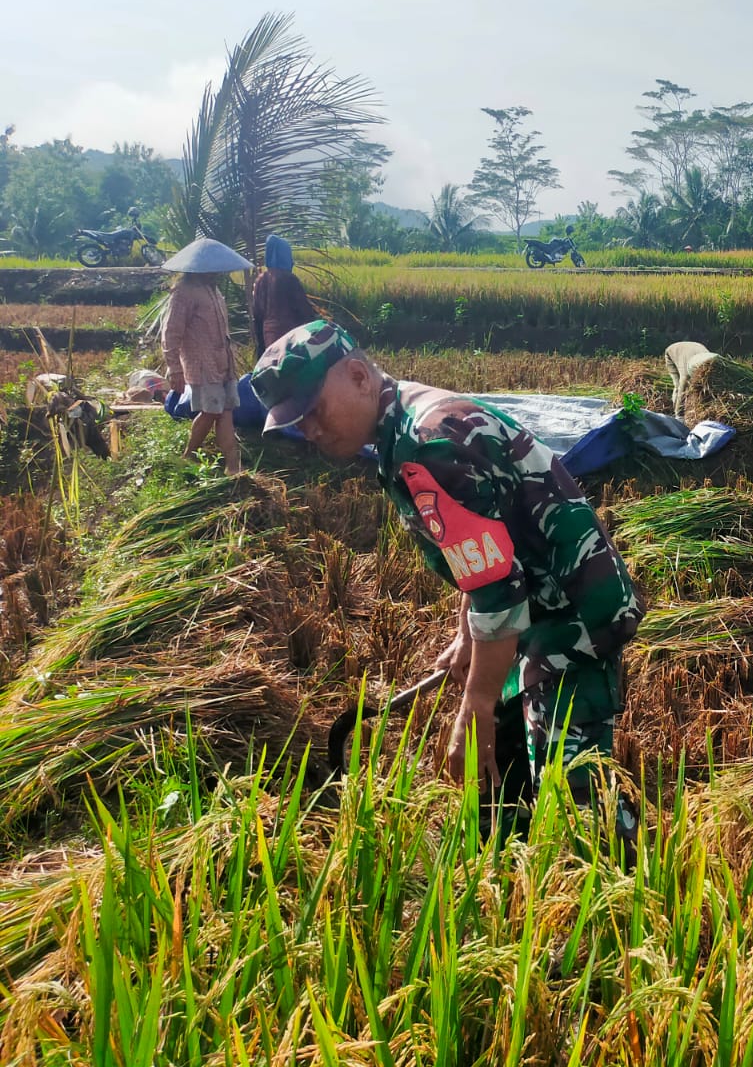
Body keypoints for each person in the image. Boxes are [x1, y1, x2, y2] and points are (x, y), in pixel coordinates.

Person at [251, 320, 645, 856]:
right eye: (299, 422)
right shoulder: (403, 425)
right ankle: (507, 866)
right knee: (503, 762)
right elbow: (478, 549)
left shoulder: (428, 444)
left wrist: (476, 701)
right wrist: (464, 636)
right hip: (532, 607)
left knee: (572, 790)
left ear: (358, 376)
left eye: (314, 410)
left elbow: (498, 588)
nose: (311, 431)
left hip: (573, 614)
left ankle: (612, 878)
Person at [160, 237, 248, 475]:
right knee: (211, 411)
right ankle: (188, 456)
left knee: (226, 410)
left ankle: (233, 466)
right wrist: (174, 369)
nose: (217, 272)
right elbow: (171, 333)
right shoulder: (183, 293)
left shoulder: (213, 289)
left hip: (223, 362)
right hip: (202, 364)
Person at [251, 234, 318, 356]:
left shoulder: (260, 280)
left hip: (268, 339)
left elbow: (257, 316)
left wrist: (260, 347)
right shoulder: (289, 279)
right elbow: (305, 312)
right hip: (291, 336)